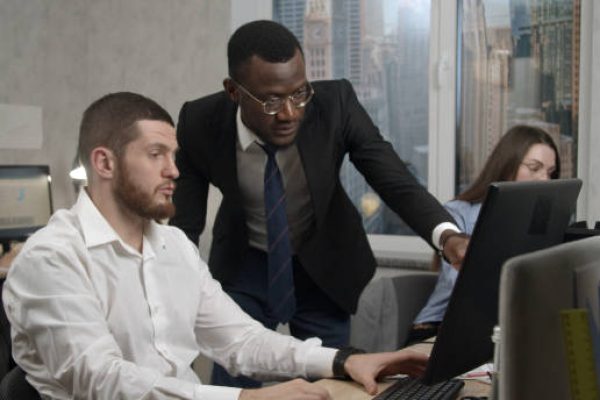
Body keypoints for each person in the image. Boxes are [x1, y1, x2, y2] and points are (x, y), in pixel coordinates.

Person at [2, 91, 432, 399]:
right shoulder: (52, 258)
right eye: (156, 154)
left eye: (174, 155)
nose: (174, 170)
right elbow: (101, 380)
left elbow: (240, 340)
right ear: (104, 162)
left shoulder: (174, 247)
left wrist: (343, 361)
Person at [170, 19, 469, 387]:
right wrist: (170, 290)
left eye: (299, 93)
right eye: (271, 100)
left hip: (323, 266)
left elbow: (393, 178)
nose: (290, 113)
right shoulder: (198, 122)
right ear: (233, 91)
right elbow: (182, 224)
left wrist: (447, 237)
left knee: (332, 381)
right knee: (234, 378)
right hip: (244, 265)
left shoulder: (335, 104)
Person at [407, 125, 560, 344]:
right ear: (507, 165)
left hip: (505, 330)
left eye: (550, 172)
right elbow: (465, 288)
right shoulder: (458, 212)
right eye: (535, 168)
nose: (545, 180)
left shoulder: (543, 222)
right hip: (438, 330)